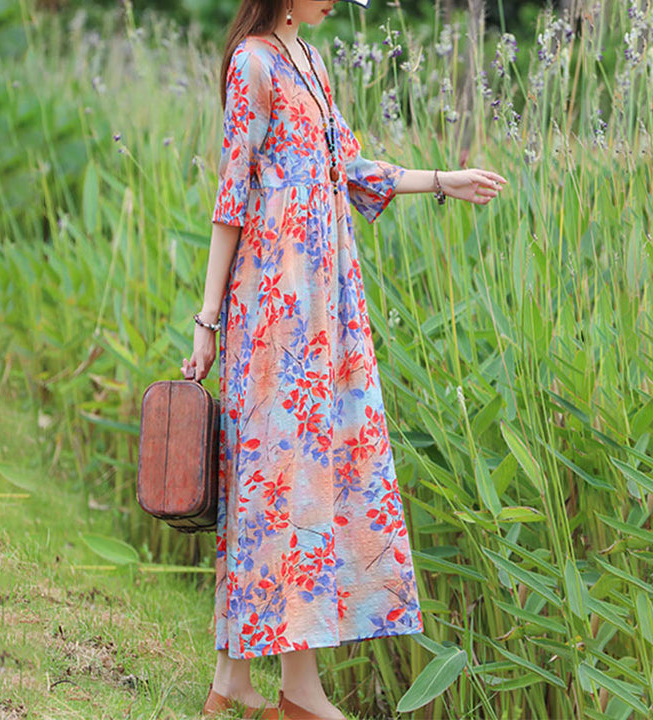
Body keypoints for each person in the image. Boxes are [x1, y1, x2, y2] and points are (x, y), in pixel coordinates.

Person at [181, 1, 506, 717]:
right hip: (278, 303)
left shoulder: (311, 61)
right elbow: (231, 196)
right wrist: (208, 320)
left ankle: (234, 683)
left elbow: (347, 168)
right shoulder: (253, 63)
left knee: (304, 479)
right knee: (285, 484)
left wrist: (443, 179)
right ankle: (298, 690)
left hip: (328, 303)